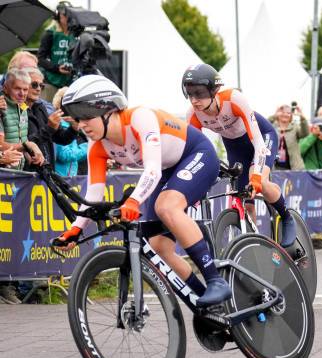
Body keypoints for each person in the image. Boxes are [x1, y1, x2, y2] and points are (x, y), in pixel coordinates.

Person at [54, 74, 230, 307]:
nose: (82, 124)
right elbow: (93, 194)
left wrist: (134, 201)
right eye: (77, 119)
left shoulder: (139, 118)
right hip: (168, 168)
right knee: (159, 248)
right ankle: (206, 303)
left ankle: (215, 280)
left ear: (109, 111)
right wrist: (75, 229)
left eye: (87, 116)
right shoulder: (96, 146)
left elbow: (152, 170)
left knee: (166, 206)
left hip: (196, 154)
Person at [182, 63, 296, 248]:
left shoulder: (234, 99)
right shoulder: (193, 115)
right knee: (244, 199)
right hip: (234, 147)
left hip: (261, 137)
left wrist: (258, 176)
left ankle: (286, 217)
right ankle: (253, 244)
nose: (194, 100)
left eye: (200, 93)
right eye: (190, 93)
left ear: (214, 90)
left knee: (259, 181)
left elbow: (258, 142)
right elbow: (195, 152)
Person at [25, 68, 80, 170]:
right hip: (27, 173)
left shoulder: (40, 107)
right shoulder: (17, 110)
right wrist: (49, 128)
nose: (38, 89)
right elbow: (25, 145)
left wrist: (74, 128)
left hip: (47, 171)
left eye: (41, 86)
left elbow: (61, 138)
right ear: (24, 85)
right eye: (34, 84)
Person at [0, 68, 45, 170]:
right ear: (6, 88)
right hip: (3, 173)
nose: (22, 93)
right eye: (17, 88)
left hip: (18, 172)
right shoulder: (1, 108)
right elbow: (1, 145)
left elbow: (22, 141)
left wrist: (31, 157)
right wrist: (29, 145)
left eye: (25, 89)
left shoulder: (23, 107)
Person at [38, 1, 75, 101]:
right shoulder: (50, 33)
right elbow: (40, 59)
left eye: (69, 14)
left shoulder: (75, 34)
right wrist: (57, 68)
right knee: (49, 112)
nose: (67, 17)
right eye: (64, 14)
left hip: (70, 82)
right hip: (51, 82)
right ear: (57, 15)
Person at [51, 86, 87, 176]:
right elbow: (64, 155)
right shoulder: (59, 123)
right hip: (61, 178)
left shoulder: (74, 123)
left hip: (72, 177)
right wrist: (88, 148)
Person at [269, 103, 308, 170]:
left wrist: (302, 118)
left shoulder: (295, 127)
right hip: (275, 167)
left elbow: (305, 133)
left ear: (291, 116)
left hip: (294, 167)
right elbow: (263, 125)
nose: (285, 115)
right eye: (282, 112)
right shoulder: (272, 127)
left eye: (288, 113)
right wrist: (274, 116)